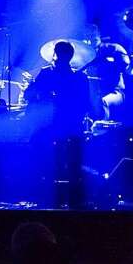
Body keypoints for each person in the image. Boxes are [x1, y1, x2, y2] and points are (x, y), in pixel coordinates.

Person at [25, 41, 92, 208]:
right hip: (60, 128)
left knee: (61, 165)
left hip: (60, 127)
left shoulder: (54, 75)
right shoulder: (53, 74)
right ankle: (71, 203)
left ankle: (55, 201)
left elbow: (83, 104)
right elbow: (29, 95)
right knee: (67, 166)